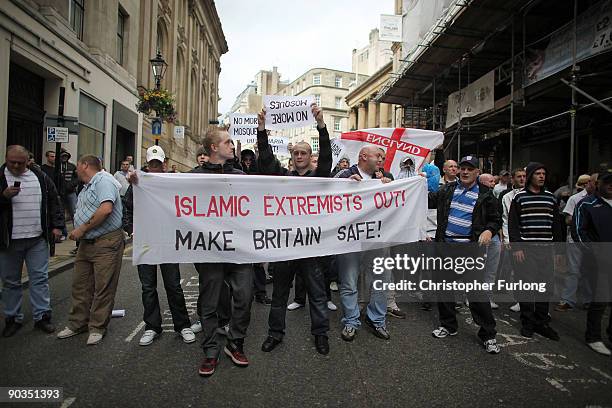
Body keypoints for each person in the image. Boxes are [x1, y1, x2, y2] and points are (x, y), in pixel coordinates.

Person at [257, 103, 331, 356]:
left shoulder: (319, 177)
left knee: (317, 294)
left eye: (304, 153)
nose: (299, 156)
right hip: (285, 247)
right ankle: (274, 334)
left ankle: (320, 335)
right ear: (291, 157)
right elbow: (265, 160)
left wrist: (321, 126)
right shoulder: (282, 178)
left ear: (310, 157)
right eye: (296, 153)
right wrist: (262, 130)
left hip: (311, 247)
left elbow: (328, 157)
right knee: (279, 295)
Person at [190, 128, 254, 377]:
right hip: (209, 251)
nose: (232, 145)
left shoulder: (240, 175)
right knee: (209, 303)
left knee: (244, 296)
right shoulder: (193, 177)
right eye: (227, 141)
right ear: (214, 147)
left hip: (238, 250)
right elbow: (166, 192)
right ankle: (210, 350)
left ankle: (235, 343)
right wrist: (140, 182)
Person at [123, 146, 195, 346]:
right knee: (148, 287)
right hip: (146, 242)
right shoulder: (137, 182)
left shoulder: (172, 182)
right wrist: (131, 229)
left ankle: (182, 325)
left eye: (158, 163)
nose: (155, 167)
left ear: (164, 163)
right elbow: (127, 208)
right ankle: (152, 327)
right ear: (148, 164)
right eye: (151, 163)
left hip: (167, 242)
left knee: (173, 285)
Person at [428, 155, 501, 354]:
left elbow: (496, 220)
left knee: (477, 295)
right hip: (446, 248)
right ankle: (448, 326)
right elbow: (427, 200)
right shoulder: (447, 190)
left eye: (470, 169)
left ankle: (488, 334)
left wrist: (489, 230)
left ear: (478, 172)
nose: (466, 172)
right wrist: (415, 183)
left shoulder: (486, 194)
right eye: (463, 168)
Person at [56, 155, 125, 346]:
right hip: (86, 244)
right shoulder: (88, 185)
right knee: (81, 285)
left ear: (85, 165)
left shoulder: (103, 180)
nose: (76, 170)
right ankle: (78, 323)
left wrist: (81, 229)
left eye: (78, 166)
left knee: (103, 287)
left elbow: (106, 209)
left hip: (106, 242)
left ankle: (97, 327)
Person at [0, 145, 65, 337]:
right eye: (12, 162)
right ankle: (13, 318)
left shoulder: (40, 177)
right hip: (8, 240)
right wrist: (3, 197)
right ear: (6, 158)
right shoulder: (1, 178)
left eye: (21, 163)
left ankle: (42, 317)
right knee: (11, 282)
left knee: (40, 279)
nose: (16, 166)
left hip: (37, 238)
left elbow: (54, 200)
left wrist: (57, 226)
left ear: (28, 160)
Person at [334, 146, 393, 341]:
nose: (381, 160)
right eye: (378, 156)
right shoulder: (345, 174)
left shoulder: (385, 176)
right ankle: (351, 321)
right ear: (363, 156)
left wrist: (389, 186)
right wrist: (344, 185)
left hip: (377, 239)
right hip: (350, 240)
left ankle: (377, 319)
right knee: (349, 282)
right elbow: (326, 194)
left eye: (383, 157)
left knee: (380, 281)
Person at [509, 162, 564, 341]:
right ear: (531, 176)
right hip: (527, 250)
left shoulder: (550, 198)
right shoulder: (520, 198)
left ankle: (541, 323)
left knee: (544, 288)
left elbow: (557, 226)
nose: (541, 176)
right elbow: (513, 224)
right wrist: (517, 246)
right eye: (537, 173)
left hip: (546, 250)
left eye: (543, 173)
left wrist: (559, 252)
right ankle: (527, 323)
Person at [574, 173, 612, 355]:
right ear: (599, 184)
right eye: (607, 182)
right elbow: (578, 232)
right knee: (600, 299)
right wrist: (595, 252)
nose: (611, 186)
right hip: (600, 260)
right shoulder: (587, 204)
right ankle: (593, 337)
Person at [555, 174, 594, 312]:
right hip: (575, 240)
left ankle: (589, 300)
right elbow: (568, 220)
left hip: (594, 241)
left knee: (590, 270)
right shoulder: (575, 199)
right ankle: (568, 299)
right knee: (573, 270)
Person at [499, 168, 527, 312]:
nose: (522, 179)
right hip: (514, 239)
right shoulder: (507, 197)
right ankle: (520, 299)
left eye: (524, 176)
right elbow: (505, 220)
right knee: (517, 271)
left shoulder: (535, 194)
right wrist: (507, 240)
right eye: (519, 177)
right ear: (513, 179)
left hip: (532, 239)